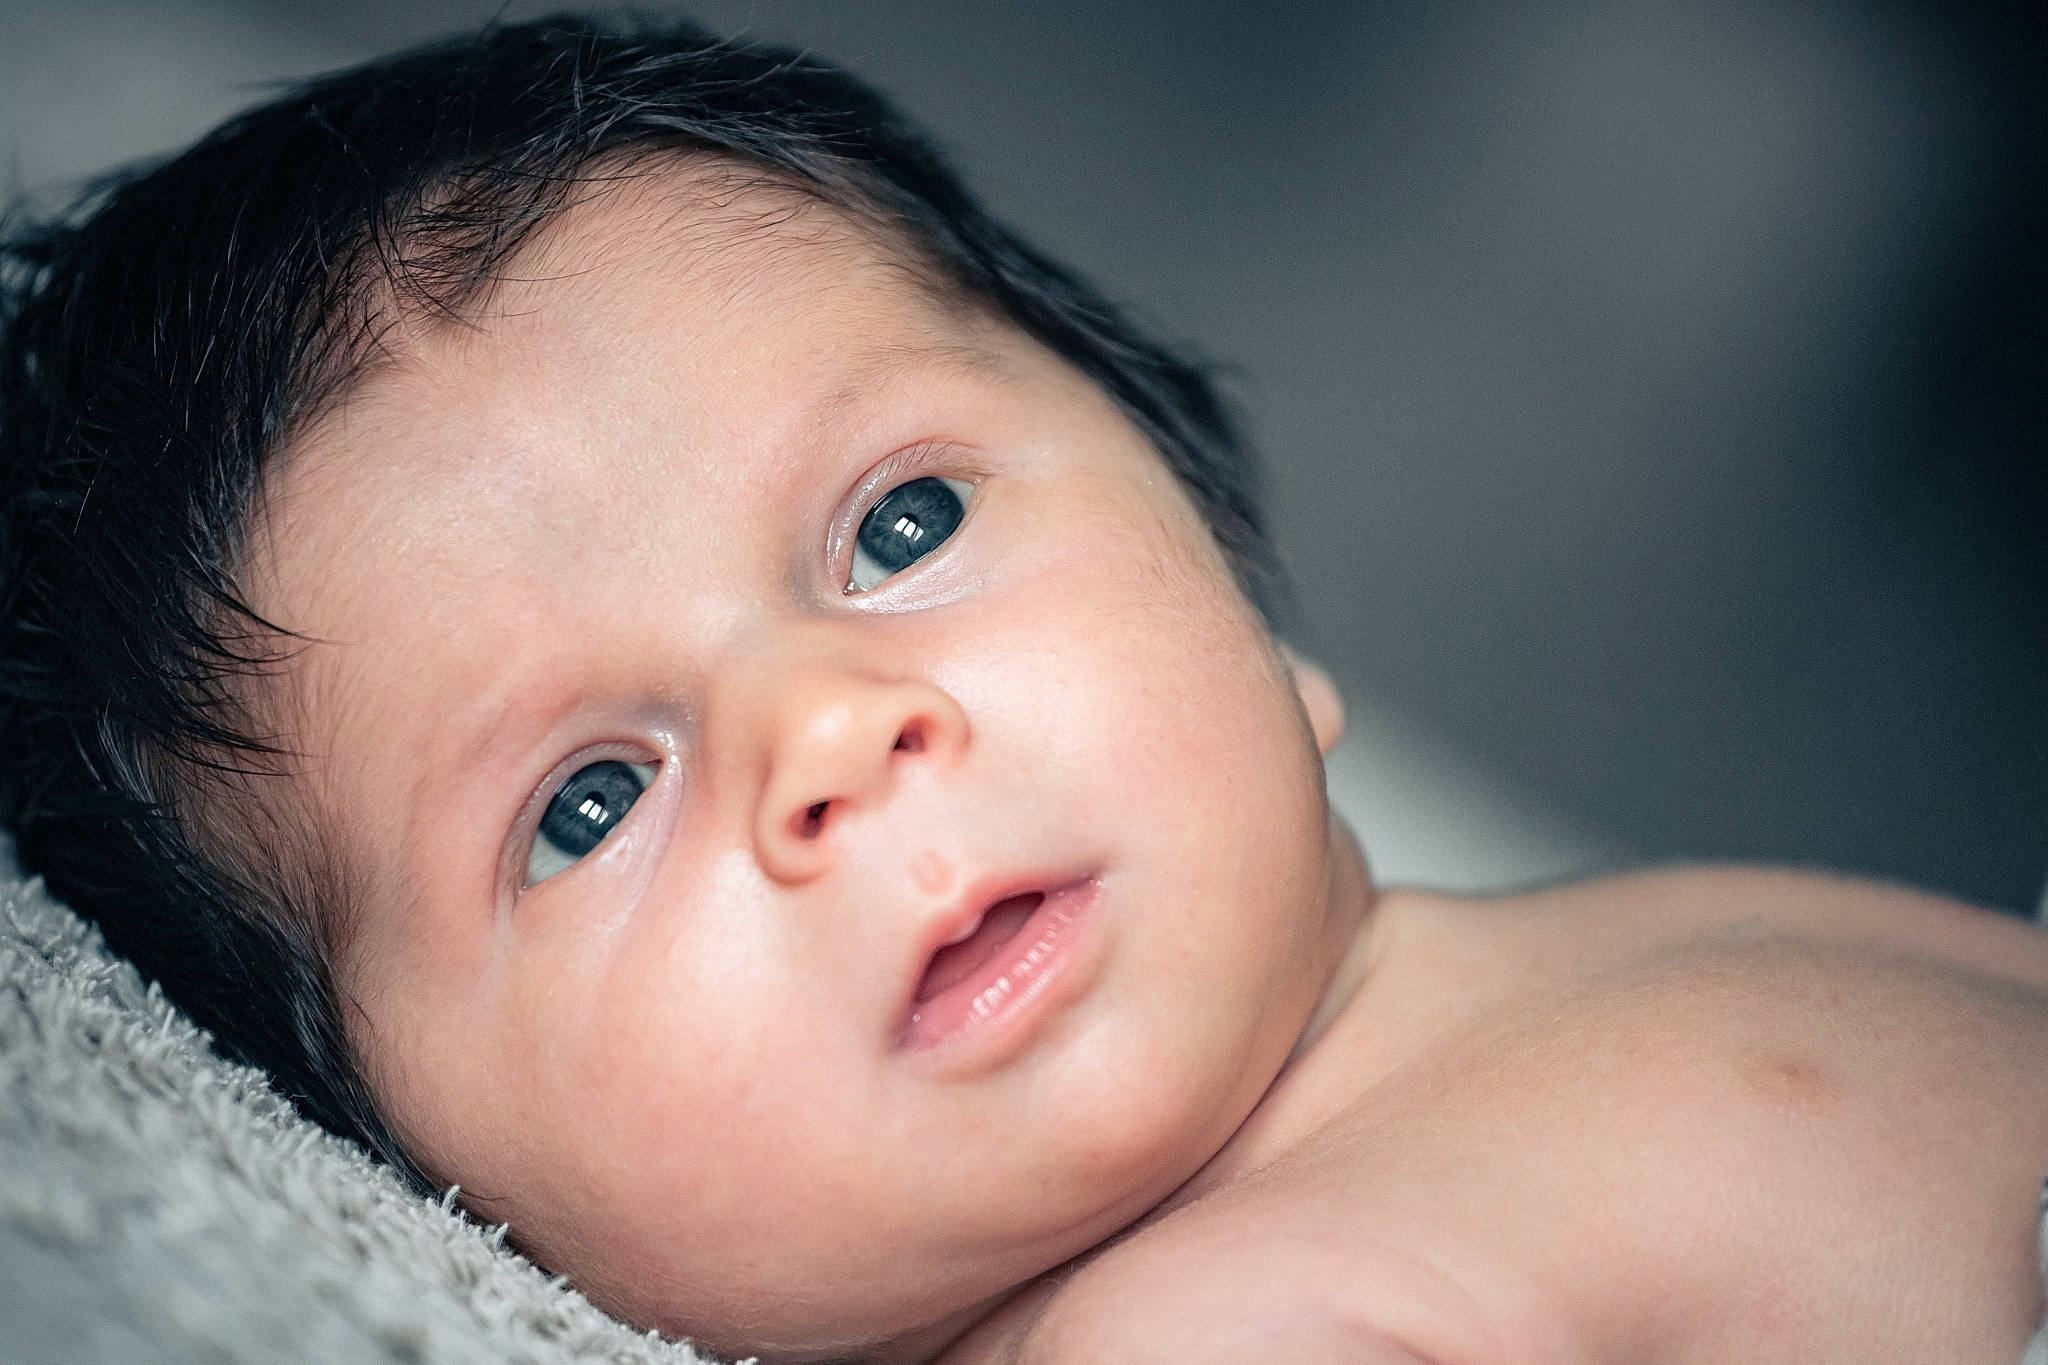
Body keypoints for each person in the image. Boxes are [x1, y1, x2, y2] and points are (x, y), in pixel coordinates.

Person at [2, 15, 2044, 1364]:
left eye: (897, 531)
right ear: (414, 1175)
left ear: (1255, 611)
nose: (831, 731)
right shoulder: (1223, 1318)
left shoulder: (1572, 964)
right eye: (585, 803)